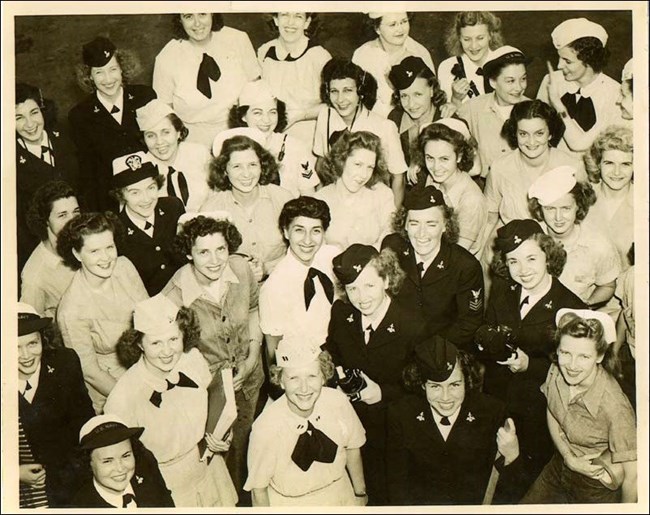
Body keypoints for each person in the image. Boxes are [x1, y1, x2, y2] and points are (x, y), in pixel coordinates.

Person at [482, 219, 585, 500]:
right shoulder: (504, 289)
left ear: (548, 255)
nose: (523, 270)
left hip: (540, 414)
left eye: (531, 258)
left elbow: (577, 374)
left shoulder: (572, 308)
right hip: (496, 399)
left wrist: (531, 365)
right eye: (513, 261)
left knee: (524, 488)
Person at [162, 213, 263, 495]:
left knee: (245, 450)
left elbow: (254, 309)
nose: (215, 259)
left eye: (221, 249)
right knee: (216, 461)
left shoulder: (241, 269)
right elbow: (168, 354)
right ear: (188, 254)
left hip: (249, 379)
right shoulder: (175, 295)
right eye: (203, 252)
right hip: (207, 394)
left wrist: (253, 356)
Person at [105, 295, 237, 506]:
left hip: (210, 469)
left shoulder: (193, 360)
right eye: (156, 343)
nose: (167, 352)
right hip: (167, 486)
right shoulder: (123, 397)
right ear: (139, 343)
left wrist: (223, 436)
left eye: (174, 340)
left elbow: (215, 408)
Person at [325, 244, 427, 505]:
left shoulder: (412, 325)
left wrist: (382, 393)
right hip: (348, 430)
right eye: (352, 289)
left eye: (369, 285)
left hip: (392, 436)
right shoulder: (341, 313)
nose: (361, 297)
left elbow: (425, 389)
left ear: (386, 280)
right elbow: (332, 354)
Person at [387, 335, 522, 505]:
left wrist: (512, 457)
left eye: (455, 385)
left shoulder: (492, 412)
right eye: (435, 386)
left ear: (466, 380)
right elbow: (398, 485)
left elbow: (511, 490)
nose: (446, 398)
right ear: (422, 384)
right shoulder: (401, 414)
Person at [522, 309, 637, 503]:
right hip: (559, 465)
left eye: (584, 356)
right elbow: (552, 409)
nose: (572, 365)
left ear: (599, 356)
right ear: (557, 350)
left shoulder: (615, 405)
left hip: (595, 485)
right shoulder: (557, 369)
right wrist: (568, 457)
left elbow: (634, 477)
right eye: (566, 353)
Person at [245, 339, 367, 506]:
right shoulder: (265, 428)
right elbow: (258, 490)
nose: (304, 388)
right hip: (292, 504)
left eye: (312, 376)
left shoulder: (338, 402)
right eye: (294, 378)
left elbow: (353, 447)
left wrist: (360, 494)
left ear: (324, 377)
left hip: (340, 495)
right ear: (280, 381)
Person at [57, 212, 148, 413]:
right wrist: (136, 400)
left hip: (146, 366)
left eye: (110, 247)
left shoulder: (124, 267)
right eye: (95, 251)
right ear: (77, 254)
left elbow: (150, 318)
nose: (106, 258)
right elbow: (90, 372)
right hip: (110, 388)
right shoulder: (70, 310)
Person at [381, 186, 484, 351]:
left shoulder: (465, 266)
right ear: (405, 225)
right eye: (414, 223)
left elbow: (468, 325)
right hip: (397, 345)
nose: (422, 234)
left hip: (443, 351)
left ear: (445, 225)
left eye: (431, 224)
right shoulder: (392, 248)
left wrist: (428, 352)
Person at [483, 99, 586, 253]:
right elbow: (490, 218)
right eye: (523, 134)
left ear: (550, 133)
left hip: (559, 250)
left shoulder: (572, 167)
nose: (531, 142)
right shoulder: (499, 167)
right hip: (513, 250)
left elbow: (583, 219)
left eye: (539, 133)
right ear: (515, 133)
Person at [18, 302, 94, 508]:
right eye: (14, 347)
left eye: (32, 344)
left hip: (69, 481)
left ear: (43, 339)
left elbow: (86, 426)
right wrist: (12, 471)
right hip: (20, 494)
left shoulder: (65, 363)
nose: (25, 356)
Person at [69, 36, 156, 212]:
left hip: (150, 194)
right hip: (109, 201)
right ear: (89, 76)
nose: (108, 79)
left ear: (122, 69)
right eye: (99, 72)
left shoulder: (144, 97)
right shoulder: (80, 115)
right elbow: (87, 172)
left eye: (113, 69)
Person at [153, 13, 260, 148]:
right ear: (179, 20)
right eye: (188, 17)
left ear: (213, 14)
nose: (197, 23)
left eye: (202, 14)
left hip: (240, 132)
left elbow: (257, 91)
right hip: (193, 139)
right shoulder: (167, 57)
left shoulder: (238, 39)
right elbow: (165, 111)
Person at [313, 58, 407, 206]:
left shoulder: (385, 127)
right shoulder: (325, 116)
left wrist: (393, 220)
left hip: (372, 204)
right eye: (334, 91)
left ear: (360, 92)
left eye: (348, 91)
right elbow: (320, 164)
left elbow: (398, 178)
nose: (340, 99)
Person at [528, 165, 621, 311]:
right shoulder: (530, 239)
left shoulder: (599, 245)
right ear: (540, 209)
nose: (558, 218)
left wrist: (585, 304)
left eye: (566, 208)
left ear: (578, 206)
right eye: (550, 209)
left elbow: (608, 285)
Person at [259, 196, 340, 362]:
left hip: (341, 351)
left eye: (316, 231)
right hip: (304, 363)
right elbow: (274, 352)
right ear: (286, 232)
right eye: (299, 230)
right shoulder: (274, 288)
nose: (308, 240)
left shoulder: (332, 257)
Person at [201, 134, 292, 280]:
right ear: (224, 170)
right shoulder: (211, 209)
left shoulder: (283, 199)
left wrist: (267, 268)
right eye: (237, 166)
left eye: (252, 165)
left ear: (262, 166)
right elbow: (203, 262)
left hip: (282, 280)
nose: (246, 174)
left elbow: (302, 248)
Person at [538, 18, 625, 158]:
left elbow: (582, 145)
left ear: (589, 60)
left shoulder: (616, 94)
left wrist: (556, 102)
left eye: (567, 61)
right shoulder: (551, 81)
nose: (559, 66)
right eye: (559, 58)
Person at [16, 83, 79, 274]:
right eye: (18, 117)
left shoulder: (67, 136)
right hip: (45, 254)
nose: (30, 124)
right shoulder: (9, 160)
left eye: (34, 112)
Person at [110, 151, 185, 295]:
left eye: (151, 188)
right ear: (121, 195)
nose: (146, 199)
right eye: (135, 192)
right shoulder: (115, 228)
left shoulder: (173, 208)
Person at [227, 80, 319, 196]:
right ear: (243, 116)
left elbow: (309, 196)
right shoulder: (232, 148)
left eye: (272, 112)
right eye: (257, 113)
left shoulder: (295, 147)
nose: (266, 120)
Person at [411, 120, 486, 256]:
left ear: (459, 157)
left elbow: (458, 255)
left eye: (444, 159)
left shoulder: (471, 199)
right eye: (430, 158)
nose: (436, 167)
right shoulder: (432, 180)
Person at [458, 45, 531, 179]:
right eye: (510, 81)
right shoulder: (472, 109)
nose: (519, 87)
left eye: (523, 79)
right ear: (493, 82)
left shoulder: (534, 110)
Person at [257, 12, 331, 145]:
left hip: (309, 136)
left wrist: (298, 116)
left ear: (307, 22)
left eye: (298, 16)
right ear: (275, 19)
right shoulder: (264, 51)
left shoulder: (319, 56)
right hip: (271, 134)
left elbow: (334, 105)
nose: (290, 23)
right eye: (285, 15)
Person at [72, 414, 174, 507]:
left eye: (125, 456)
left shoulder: (148, 476)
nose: (120, 468)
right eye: (107, 461)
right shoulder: (81, 506)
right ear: (88, 464)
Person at [315, 131, 395, 250]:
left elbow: (389, 237)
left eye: (370, 167)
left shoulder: (382, 194)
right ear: (341, 161)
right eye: (358, 164)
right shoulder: (320, 199)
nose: (363, 175)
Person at [352, 12, 435, 118]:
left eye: (404, 22)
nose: (400, 29)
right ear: (377, 29)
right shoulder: (363, 54)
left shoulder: (419, 52)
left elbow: (431, 94)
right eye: (392, 24)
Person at [136, 98, 212, 212]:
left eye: (165, 132)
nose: (159, 142)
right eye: (151, 135)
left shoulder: (200, 154)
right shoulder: (140, 168)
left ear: (178, 132)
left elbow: (218, 195)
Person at [21, 181, 80, 319]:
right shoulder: (34, 276)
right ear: (45, 220)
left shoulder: (84, 241)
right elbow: (32, 328)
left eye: (76, 212)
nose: (73, 221)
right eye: (62, 215)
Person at [583, 125, 634, 268]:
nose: (616, 172)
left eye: (625, 164)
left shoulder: (643, 202)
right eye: (609, 163)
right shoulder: (583, 198)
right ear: (598, 163)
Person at [387, 56, 451, 165]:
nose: (411, 104)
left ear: (431, 90)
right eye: (404, 96)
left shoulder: (447, 120)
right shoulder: (395, 119)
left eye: (417, 94)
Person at [438, 11, 505, 106]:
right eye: (467, 39)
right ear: (459, 38)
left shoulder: (505, 62)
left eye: (480, 38)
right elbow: (448, 116)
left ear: (491, 35)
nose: (473, 46)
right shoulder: (447, 67)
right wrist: (455, 100)